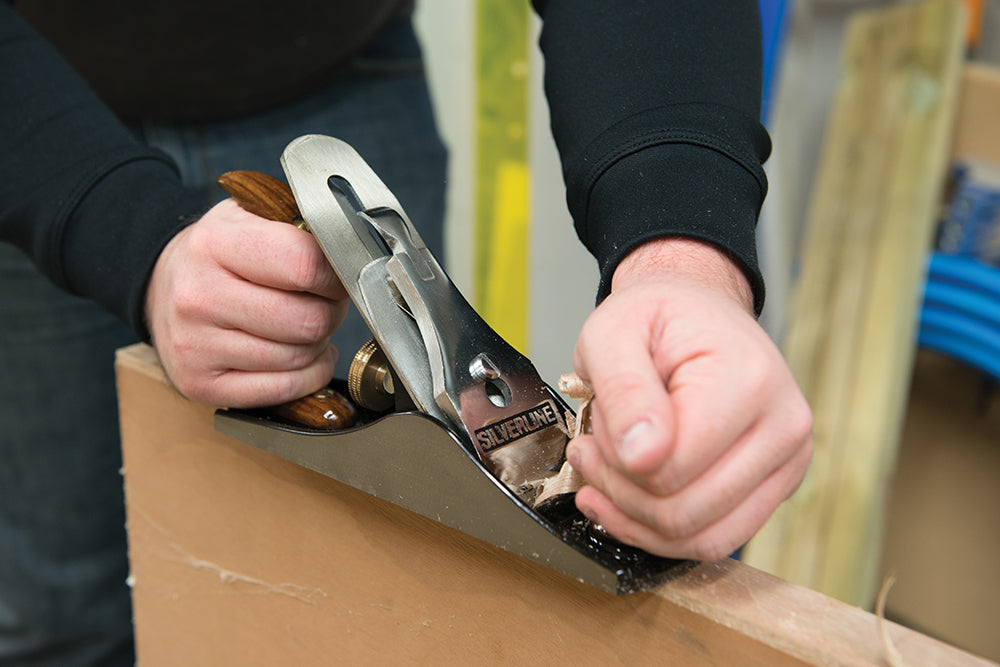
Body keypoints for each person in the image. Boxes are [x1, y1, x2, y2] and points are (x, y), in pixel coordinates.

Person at [0, 1, 813, 664]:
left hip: (337, 61)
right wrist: (120, 229)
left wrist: (680, 254)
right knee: (64, 607)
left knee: (394, 585)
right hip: (33, 115)